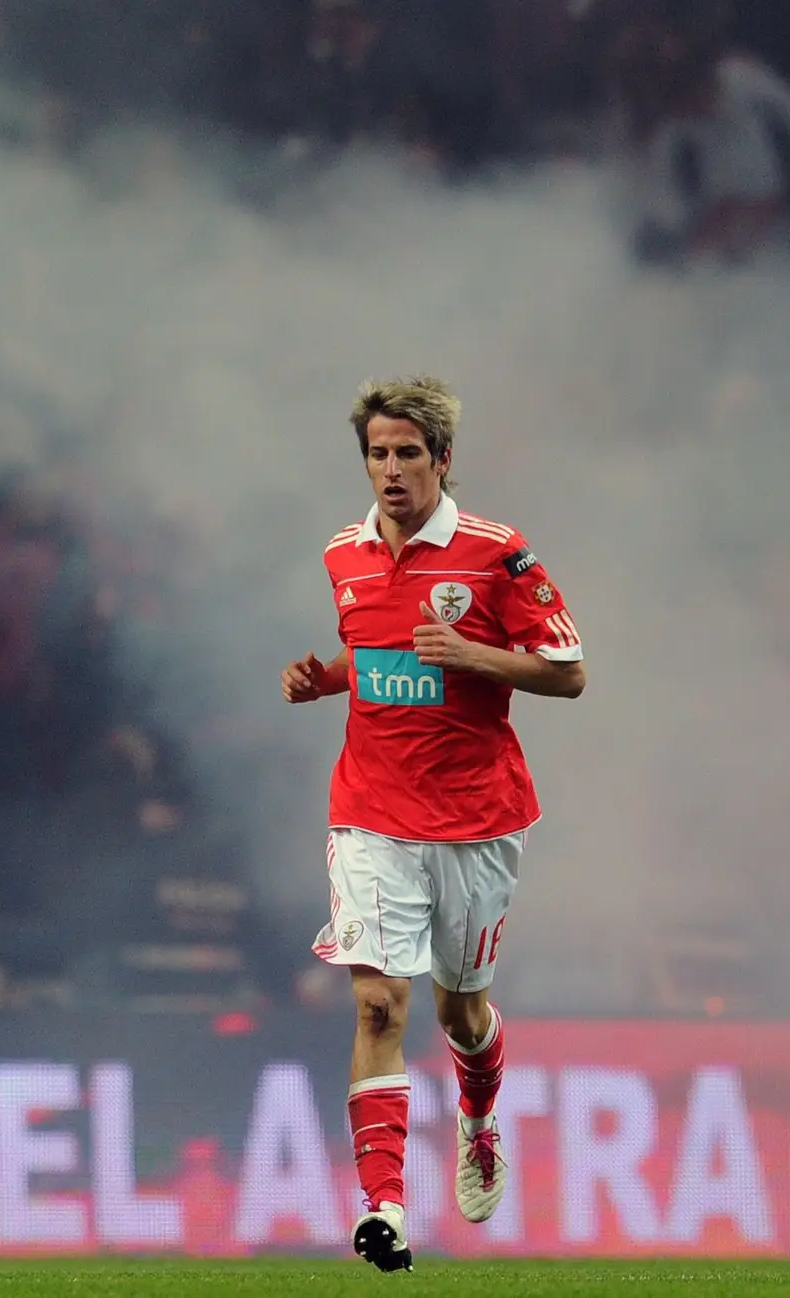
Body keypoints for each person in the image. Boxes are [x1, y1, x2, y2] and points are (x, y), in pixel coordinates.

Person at [281, 376, 585, 1272]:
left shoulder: (498, 554)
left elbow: (567, 669)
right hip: (370, 814)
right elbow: (375, 651)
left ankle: (480, 1115)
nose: (391, 470)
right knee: (379, 1000)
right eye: (378, 453)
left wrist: (474, 654)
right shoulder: (343, 553)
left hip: (477, 819)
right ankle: (383, 1209)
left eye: (408, 452)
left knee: (461, 1010)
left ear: (442, 460)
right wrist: (325, 679)